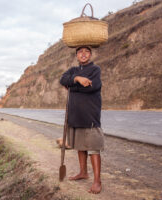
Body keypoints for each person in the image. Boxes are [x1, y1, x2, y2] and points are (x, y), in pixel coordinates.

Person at [59, 46, 104, 194]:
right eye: (80, 52)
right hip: (75, 114)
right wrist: (77, 79)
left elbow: (93, 87)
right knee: (80, 145)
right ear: (77, 55)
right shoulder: (73, 70)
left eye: (86, 52)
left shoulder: (95, 69)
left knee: (93, 147)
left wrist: (72, 86)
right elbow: (62, 80)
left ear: (90, 54)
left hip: (90, 114)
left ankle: (97, 181)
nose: (83, 54)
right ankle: (83, 172)